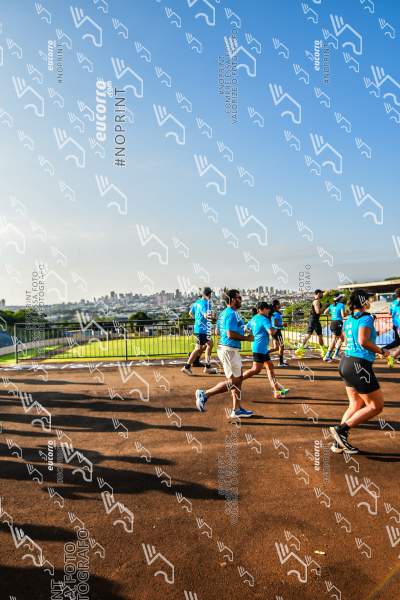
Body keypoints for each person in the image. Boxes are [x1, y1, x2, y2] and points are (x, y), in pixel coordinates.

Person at [329, 289, 390, 454]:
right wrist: (382, 351)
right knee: (376, 406)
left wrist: (377, 333)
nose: (370, 301)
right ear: (363, 302)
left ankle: (338, 442)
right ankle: (341, 430)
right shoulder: (366, 318)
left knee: (355, 404)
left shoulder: (349, 319)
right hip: (359, 365)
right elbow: (363, 341)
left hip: (346, 362)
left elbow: (348, 338)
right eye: (368, 299)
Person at [194, 289, 254, 418]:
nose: (241, 300)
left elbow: (217, 331)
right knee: (234, 381)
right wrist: (246, 338)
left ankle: (236, 409)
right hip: (228, 349)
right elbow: (230, 334)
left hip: (230, 349)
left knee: (239, 379)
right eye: (238, 298)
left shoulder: (225, 313)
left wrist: (242, 330)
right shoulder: (231, 313)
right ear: (232, 300)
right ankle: (205, 394)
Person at [242, 302, 289, 398]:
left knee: (270, 367)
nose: (268, 310)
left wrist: (253, 333)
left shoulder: (254, 318)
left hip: (260, 347)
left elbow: (245, 328)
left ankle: (276, 391)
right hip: (260, 348)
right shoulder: (264, 319)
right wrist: (278, 327)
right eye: (266, 309)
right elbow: (271, 332)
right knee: (255, 370)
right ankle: (236, 380)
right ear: (261, 310)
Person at [181, 287, 217, 375]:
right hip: (203, 330)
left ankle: (207, 366)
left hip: (198, 328)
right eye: (210, 294)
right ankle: (187, 367)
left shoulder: (196, 303)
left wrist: (197, 320)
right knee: (199, 348)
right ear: (208, 294)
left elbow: (190, 313)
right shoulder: (206, 303)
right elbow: (206, 315)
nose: (211, 295)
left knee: (209, 344)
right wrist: (213, 318)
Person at [295, 289, 327, 357]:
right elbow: (318, 312)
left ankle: (322, 350)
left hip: (314, 320)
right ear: (318, 294)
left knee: (315, 335)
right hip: (314, 320)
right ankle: (300, 349)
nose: (322, 294)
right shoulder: (316, 301)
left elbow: (317, 313)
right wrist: (324, 307)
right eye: (321, 293)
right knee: (314, 335)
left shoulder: (317, 301)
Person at [323, 293, 346, 362]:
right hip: (338, 323)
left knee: (342, 338)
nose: (342, 299)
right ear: (340, 299)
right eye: (341, 298)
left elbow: (325, 312)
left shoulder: (331, 305)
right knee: (334, 339)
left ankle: (335, 354)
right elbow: (343, 315)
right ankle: (327, 356)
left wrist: (333, 315)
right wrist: (348, 314)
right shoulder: (341, 305)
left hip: (333, 322)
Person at [271, 299, 289, 367]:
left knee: (276, 347)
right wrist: (283, 324)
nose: (280, 305)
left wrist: (282, 324)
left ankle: (263, 353)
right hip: (277, 332)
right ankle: (281, 363)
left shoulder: (275, 313)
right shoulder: (276, 314)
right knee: (281, 346)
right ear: (276, 305)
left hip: (276, 331)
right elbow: (275, 324)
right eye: (279, 304)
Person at [382, 287, 400, 353]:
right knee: (397, 342)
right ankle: (383, 350)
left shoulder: (392, 303)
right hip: (399, 325)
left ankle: (382, 349)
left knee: (397, 342)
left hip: (395, 325)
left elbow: (389, 312)